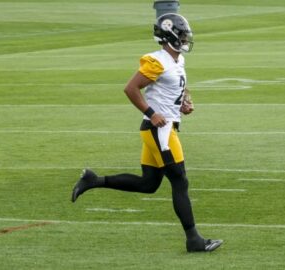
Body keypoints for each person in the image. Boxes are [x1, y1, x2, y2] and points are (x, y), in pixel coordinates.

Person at [71, 13, 223, 252]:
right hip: (159, 130)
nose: (185, 39)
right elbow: (130, 88)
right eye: (182, 35)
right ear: (170, 35)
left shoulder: (177, 60)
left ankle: (93, 180)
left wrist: (185, 102)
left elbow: (177, 85)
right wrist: (152, 112)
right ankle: (194, 240)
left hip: (161, 128)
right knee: (180, 180)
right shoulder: (156, 61)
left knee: (148, 184)